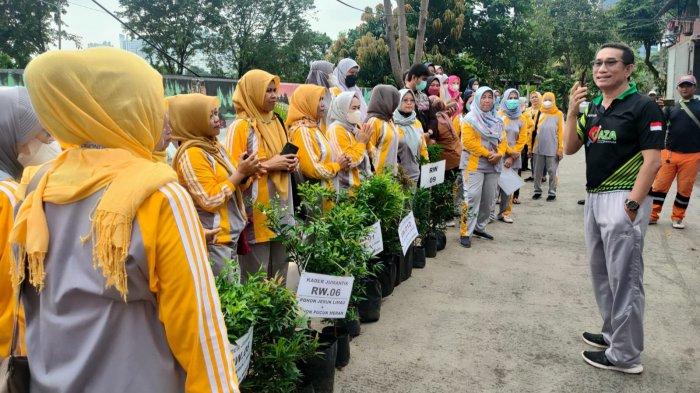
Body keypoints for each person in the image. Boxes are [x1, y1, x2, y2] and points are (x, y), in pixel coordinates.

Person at [12, 47, 238, 391]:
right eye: (152, 102)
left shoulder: (35, 187)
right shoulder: (157, 194)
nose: (165, 118)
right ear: (121, 110)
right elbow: (200, 335)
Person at [566, 43, 665, 374]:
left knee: (626, 279)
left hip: (623, 197)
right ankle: (612, 334)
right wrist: (571, 111)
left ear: (628, 69)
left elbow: (652, 162)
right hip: (594, 196)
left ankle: (625, 355)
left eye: (611, 63)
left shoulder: (643, 107)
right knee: (602, 274)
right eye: (597, 63)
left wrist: (633, 204)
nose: (601, 69)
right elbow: (569, 148)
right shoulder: (595, 106)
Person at [169, 93, 262, 278]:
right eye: (210, 116)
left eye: (216, 114)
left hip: (230, 237)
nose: (217, 120)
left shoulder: (213, 146)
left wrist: (244, 174)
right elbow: (210, 199)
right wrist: (240, 173)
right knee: (224, 301)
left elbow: (232, 184)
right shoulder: (191, 153)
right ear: (193, 120)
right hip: (215, 239)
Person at [225, 69, 298, 283]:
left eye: (275, 90)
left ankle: (280, 316)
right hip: (255, 213)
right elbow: (233, 172)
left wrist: (290, 163)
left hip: (282, 207)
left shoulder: (276, 121)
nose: (274, 95)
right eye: (268, 91)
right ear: (253, 92)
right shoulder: (241, 126)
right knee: (257, 279)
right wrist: (271, 164)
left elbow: (282, 154)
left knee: (280, 272)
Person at [0, 86, 48, 358]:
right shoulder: (7, 196)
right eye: (41, 134)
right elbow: (13, 286)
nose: (48, 142)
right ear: (10, 134)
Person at [649, 75, 700, 228]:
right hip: (669, 153)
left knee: (685, 189)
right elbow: (660, 123)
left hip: (693, 155)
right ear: (678, 88)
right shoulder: (670, 106)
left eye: (688, 85)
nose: (684, 88)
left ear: (694, 88)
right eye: (682, 85)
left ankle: (677, 217)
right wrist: (657, 109)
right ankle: (652, 215)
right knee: (659, 187)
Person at [459, 87, 507, 248]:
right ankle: (465, 231)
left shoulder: (498, 120)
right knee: (472, 197)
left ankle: (480, 227)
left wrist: (500, 154)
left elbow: (503, 140)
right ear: (478, 99)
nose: (487, 100)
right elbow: (468, 142)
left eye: (490, 97)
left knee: (488, 199)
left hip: (493, 164)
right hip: (474, 164)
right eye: (483, 97)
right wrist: (489, 154)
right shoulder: (469, 119)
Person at [286, 84, 351, 189]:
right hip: (316, 198)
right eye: (318, 100)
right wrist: (337, 165)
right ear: (306, 102)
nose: (323, 105)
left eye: (322, 99)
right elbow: (312, 169)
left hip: (326, 193)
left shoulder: (313, 126)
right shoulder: (302, 130)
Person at [326, 91, 373, 191]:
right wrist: (362, 143)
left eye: (358, 108)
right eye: (353, 108)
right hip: (346, 189)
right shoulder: (336, 129)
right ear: (342, 109)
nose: (357, 112)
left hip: (360, 187)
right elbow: (347, 161)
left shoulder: (354, 128)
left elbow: (369, 153)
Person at [496, 88, 530, 223]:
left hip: (514, 157)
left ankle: (505, 213)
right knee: (494, 188)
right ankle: (489, 214)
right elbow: (497, 136)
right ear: (505, 98)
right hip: (499, 155)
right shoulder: (498, 115)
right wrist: (506, 152)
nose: (512, 100)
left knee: (508, 188)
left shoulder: (522, 118)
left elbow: (522, 140)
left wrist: (511, 156)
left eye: (515, 97)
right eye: (510, 97)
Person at [530, 92, 563, 201]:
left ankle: (552, 192)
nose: (547, 102)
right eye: (545, 99)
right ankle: (537, 191)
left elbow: (561, 132)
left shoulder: (558, 114)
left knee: (552, 171)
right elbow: (533, 131)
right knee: (537, 171)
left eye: (550, 99)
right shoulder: (539, 113)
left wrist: (560, 149)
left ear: (554, 100)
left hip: (552, 148)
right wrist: (530, 148)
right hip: (538, 147)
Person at [394, 89, 429, 184]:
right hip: (397, 175)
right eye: (405, 100)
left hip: (415, 173)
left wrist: (425, 166)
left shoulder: (417, 123)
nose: (409, 103)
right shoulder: (392, 122)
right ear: (398, 101)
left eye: (412, 100)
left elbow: (423, 148)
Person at [365, 85, 401, 174]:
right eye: (393, 100)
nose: (395, 104)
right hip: (379, 176)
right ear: (385, 101)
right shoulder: (374, 121)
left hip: (390, 173)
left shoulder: (389, 120)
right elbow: (368, 149)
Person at [305, 60, 336, 130]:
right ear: (322, 75)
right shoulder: (311, 95)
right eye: (331, 74)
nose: (333, 76)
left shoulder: (329, 93)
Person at [403, 63, 433, 130]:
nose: (425, 82)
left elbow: (432, 117)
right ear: (414, 77)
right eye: (423, 79)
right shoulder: (401, 96)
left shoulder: (424, 96)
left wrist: (430, 132)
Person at [523, 91, 543, 176]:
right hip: (527, 137)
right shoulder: (527, 111)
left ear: (540, 98)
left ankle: (539, 175)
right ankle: (533, 174)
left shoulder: (543, 110)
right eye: (532, 97)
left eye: (536, 97)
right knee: (528, 154)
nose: (534, 99)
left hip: (538, 137)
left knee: (537, 157)